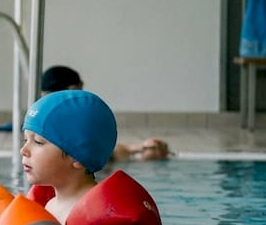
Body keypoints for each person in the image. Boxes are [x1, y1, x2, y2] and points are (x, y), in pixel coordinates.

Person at [21, 90, 162, 225]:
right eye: (25, 140)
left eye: (37, 142)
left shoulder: (98, 218)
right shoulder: (48, 204)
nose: (24, 150)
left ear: (77, 157)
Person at [40, 64, 172, 161]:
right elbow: (99, 155)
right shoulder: (73, 121)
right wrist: (138, 150)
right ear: (74, 89)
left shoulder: (38, 120)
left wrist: (137, 148)